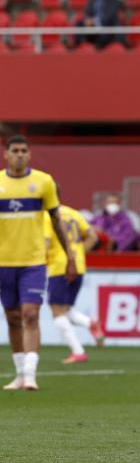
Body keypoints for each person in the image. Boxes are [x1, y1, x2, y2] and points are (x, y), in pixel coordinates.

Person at [0, 135, 78, 391]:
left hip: (33, 262)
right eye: (15, 150)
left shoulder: (43, 182)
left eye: (24, 150)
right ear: (7, 154)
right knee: (12, 318)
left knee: (30, 314)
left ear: (29, 155)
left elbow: (56, 222)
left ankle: (31, 374)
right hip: (4, 263)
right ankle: (20, 374)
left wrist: (70, 255)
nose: (20, 154)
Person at [44, 186, 104, 364]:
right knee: (65, 309)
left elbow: (46, 242)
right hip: (78, 266)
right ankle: (89, 323)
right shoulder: (74, 213)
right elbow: (93, 236)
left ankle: (78, 352)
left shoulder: (47, 216)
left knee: (57, 312)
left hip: (60, 266)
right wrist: (79, 253)